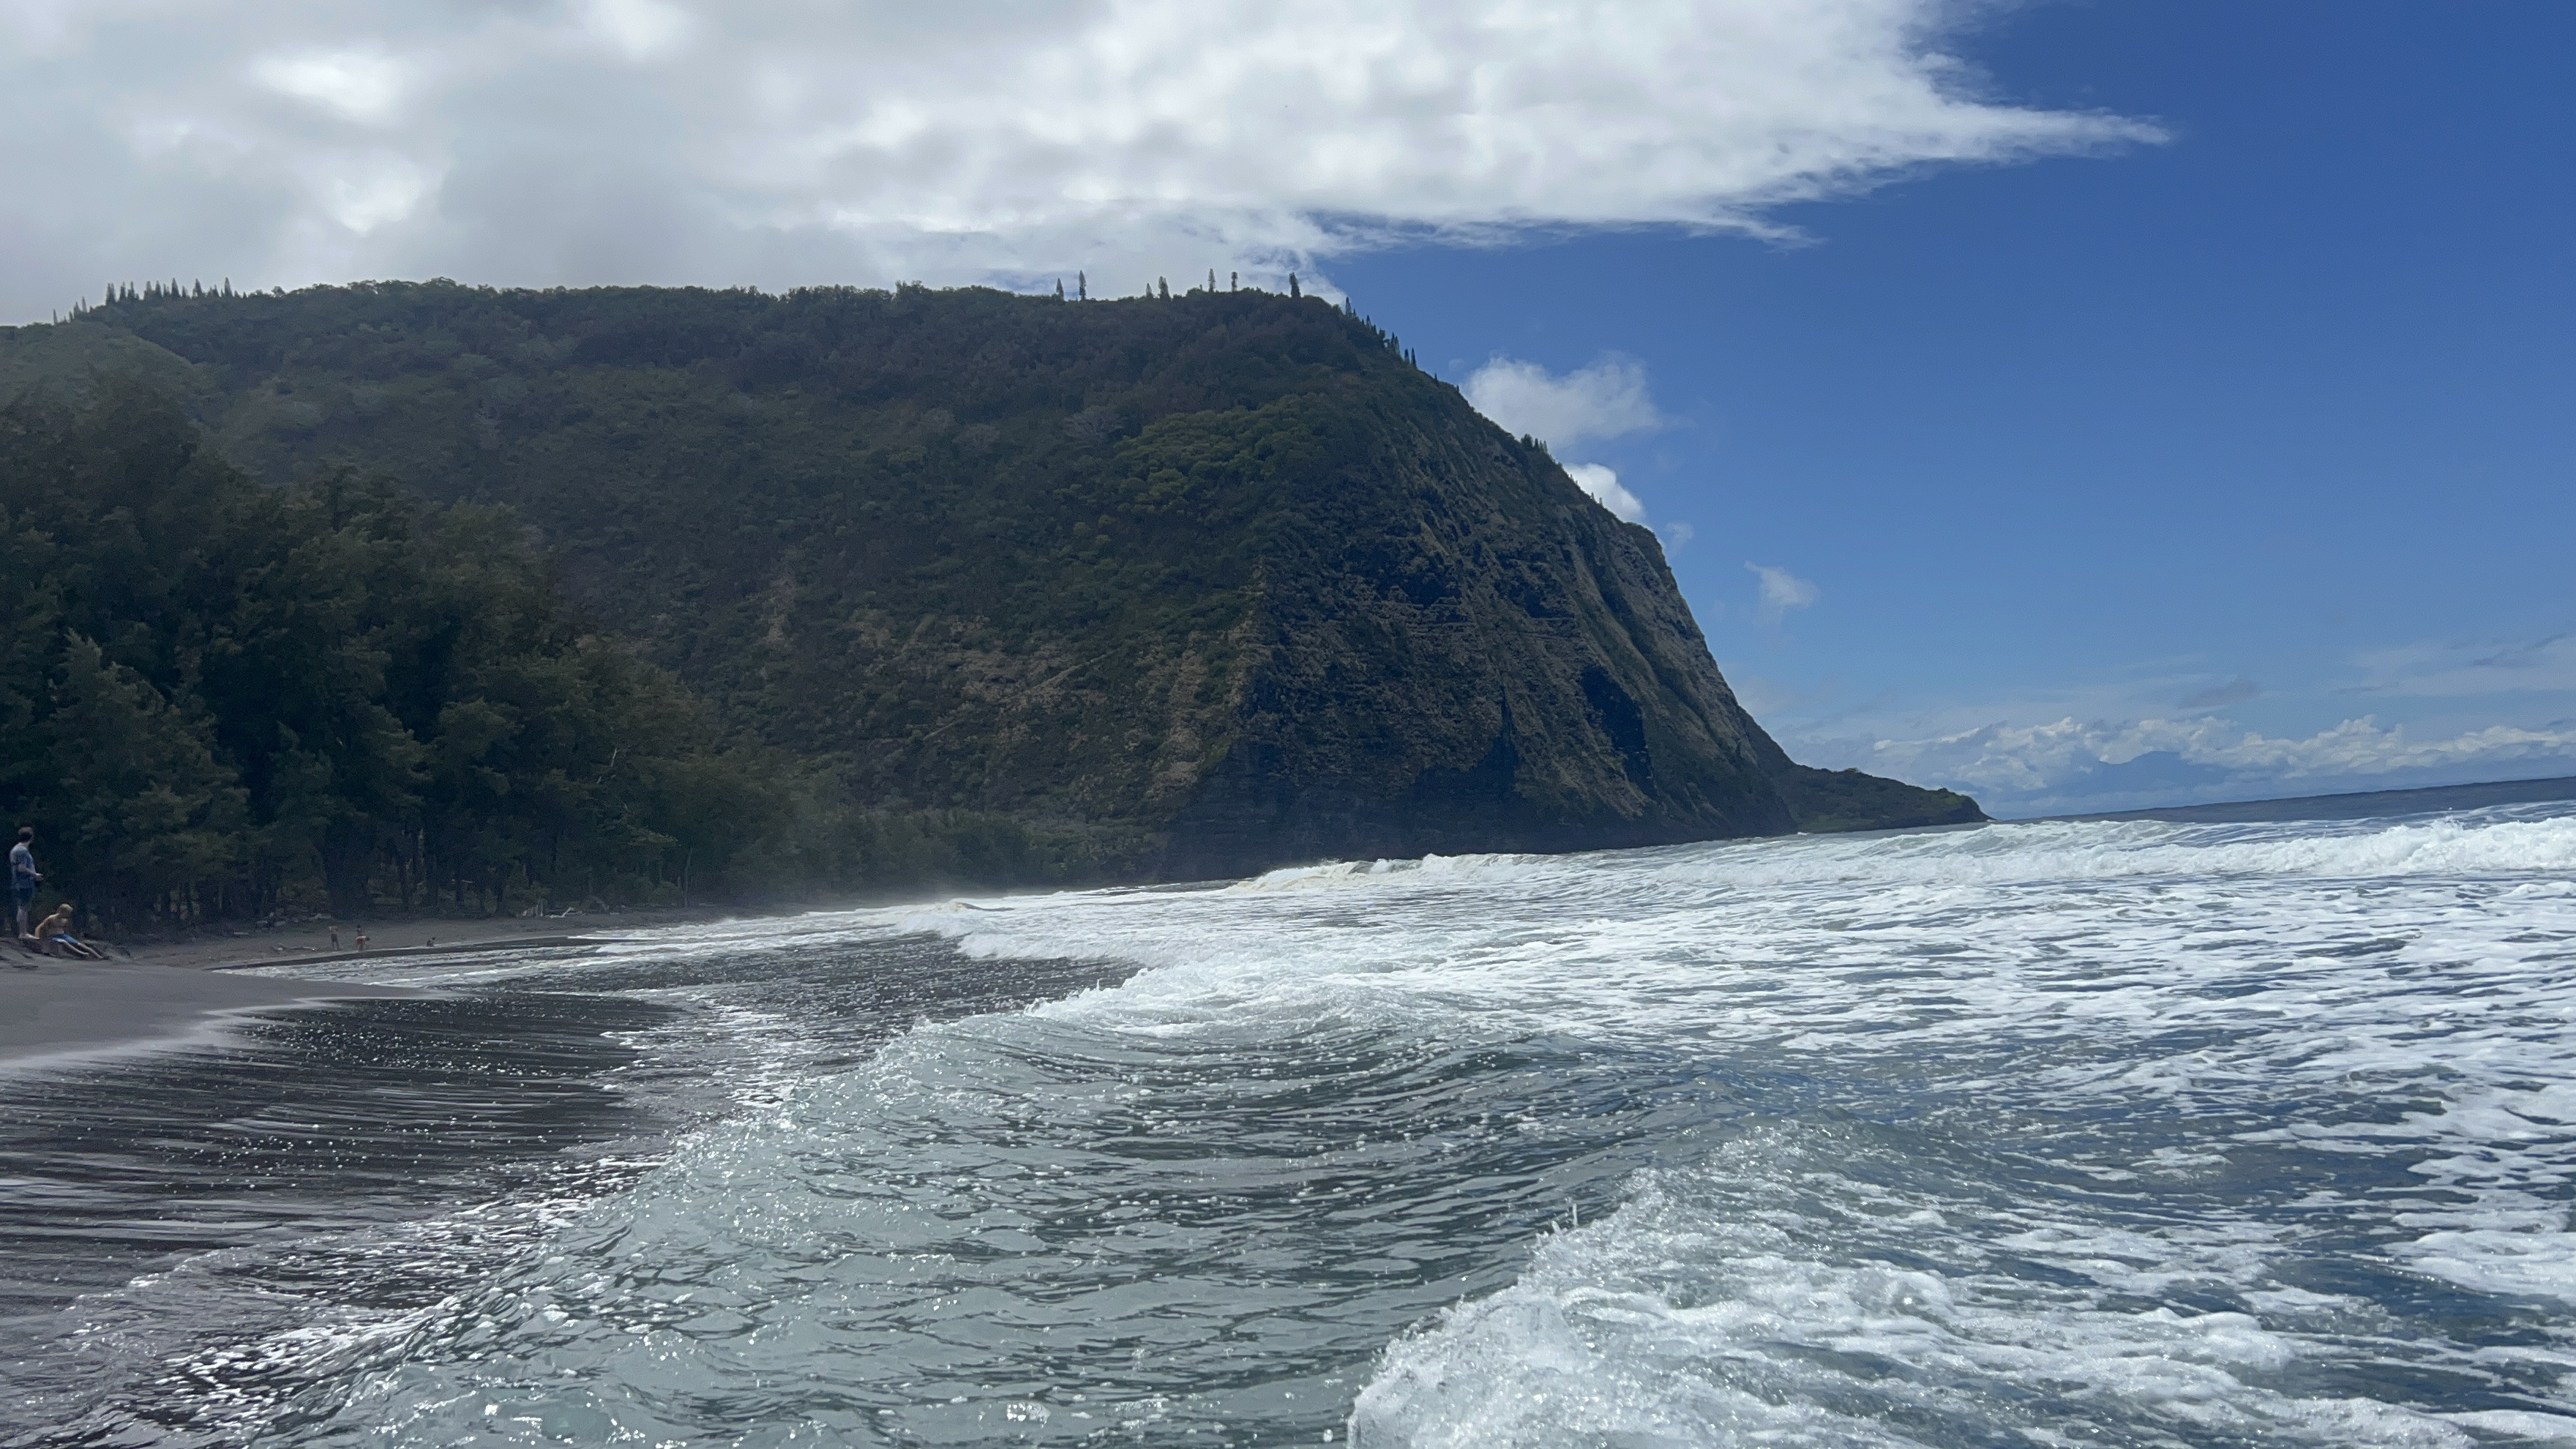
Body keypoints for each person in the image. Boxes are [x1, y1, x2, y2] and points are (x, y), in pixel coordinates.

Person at [31, 901, 101, 960]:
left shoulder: (65, 920)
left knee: (79, 944)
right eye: (67, 913)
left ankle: (99, 957)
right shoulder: (51, 918)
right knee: (64, 942)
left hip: (63, 935)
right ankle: (82, 954)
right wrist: (37, 937)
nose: (68, 915)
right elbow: (39, 927)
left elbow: (66, 930)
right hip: (53, 936)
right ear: (62, 911)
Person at [10, 826, 37, 938]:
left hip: (17, 883)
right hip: (24, 883)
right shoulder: (23, 851)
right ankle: (23, 933)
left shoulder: (15, 849)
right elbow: (22, 868)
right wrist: (35, 875)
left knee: (21, 907)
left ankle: (23, 932)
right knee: (23, 907)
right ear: (31, 837)